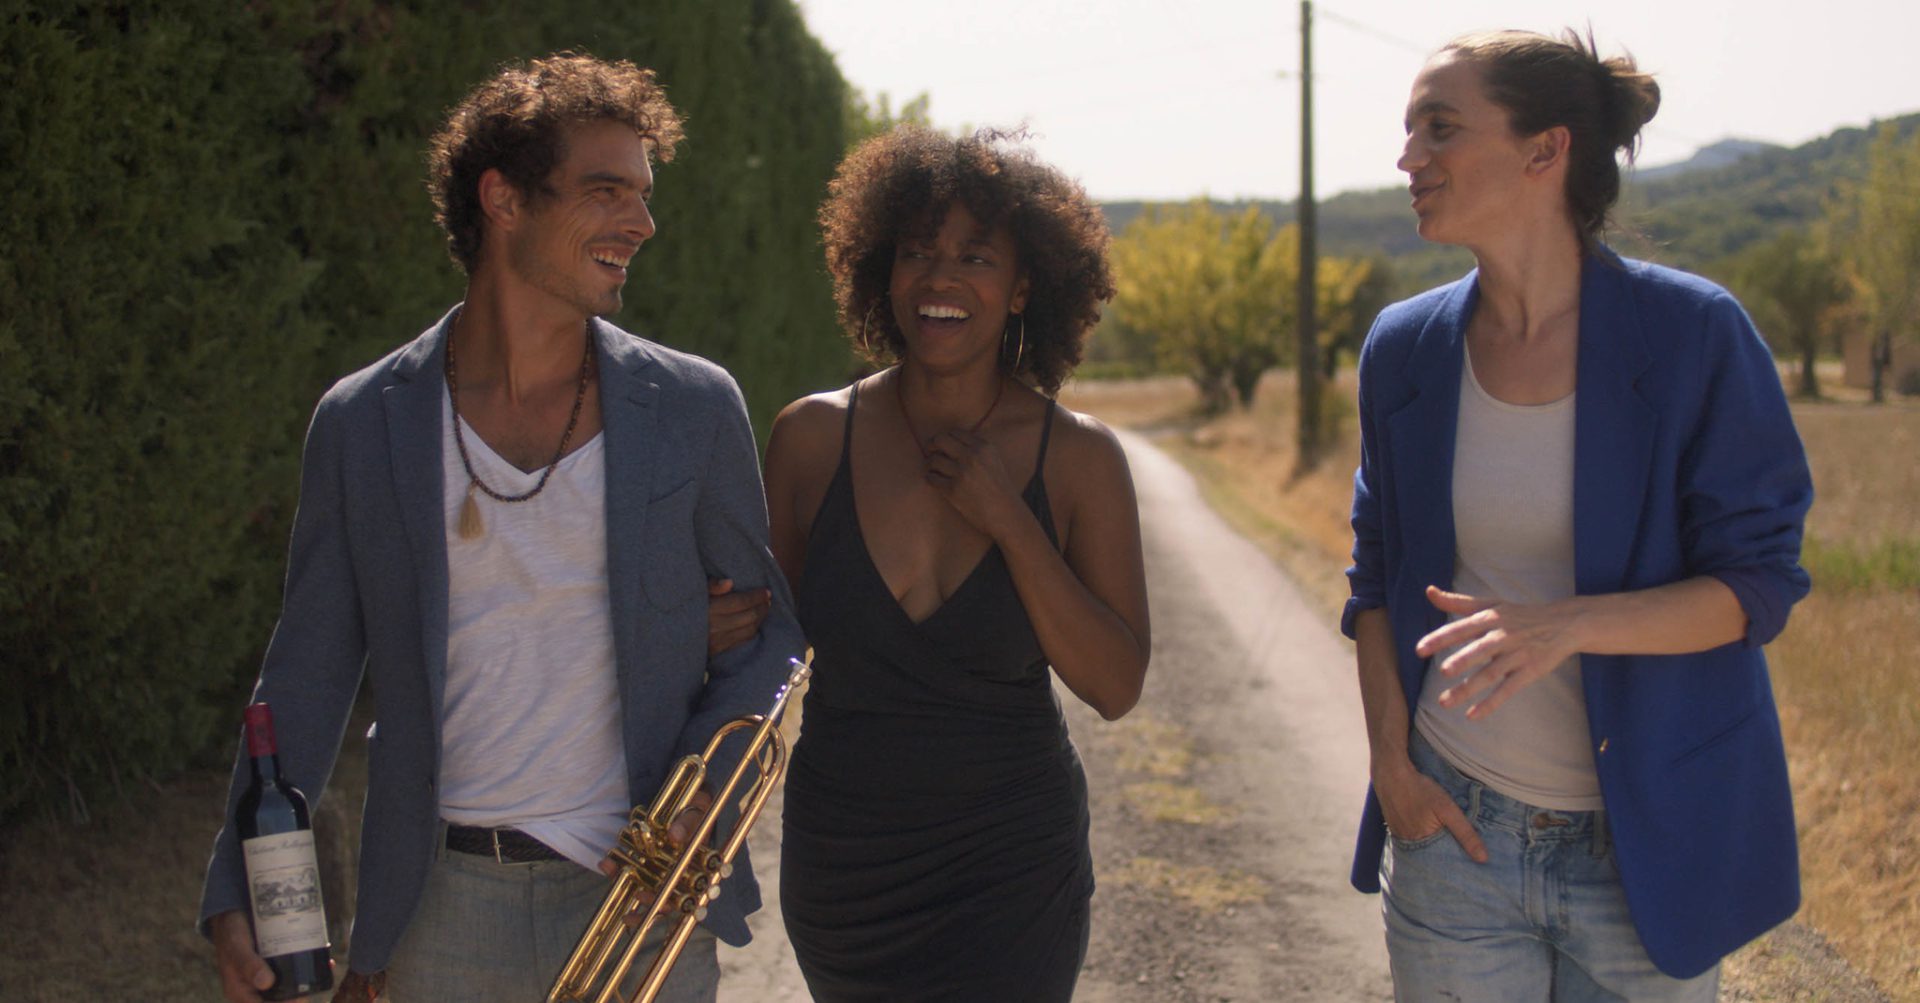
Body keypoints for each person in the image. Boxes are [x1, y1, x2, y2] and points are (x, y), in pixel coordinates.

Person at [199, 53, 804, 1003]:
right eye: (606, 190)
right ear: (504, 199)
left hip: (638, 903)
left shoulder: (694, 406)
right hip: (438, 911)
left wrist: (706, 790)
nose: (642, 223)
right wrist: (239, 883)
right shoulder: (362, 422)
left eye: (644, 195)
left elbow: (767, 637)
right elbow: (306, 670)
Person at [1343, 29, 1814, 1002]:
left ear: (1545, 150)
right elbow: (1375, 575)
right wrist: (1393, 764)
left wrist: (1567, 625)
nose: (1408, 158)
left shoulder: (1695, 335)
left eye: (1440, 128)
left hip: (1645, 852)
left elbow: (1758, 585)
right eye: (1409, 131)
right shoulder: (1404, 348)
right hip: (1453, 835)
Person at [724, 125, 1151, 1001]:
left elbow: (1115, 685)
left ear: (1024, 286)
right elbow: (763, 648)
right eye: (917, 251)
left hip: (1012, 867)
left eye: (976, 257)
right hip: (846, 868)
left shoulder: (1079, 458)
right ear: (883, 270)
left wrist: (1010, 521)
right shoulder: (811, 439)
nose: (940, 278)